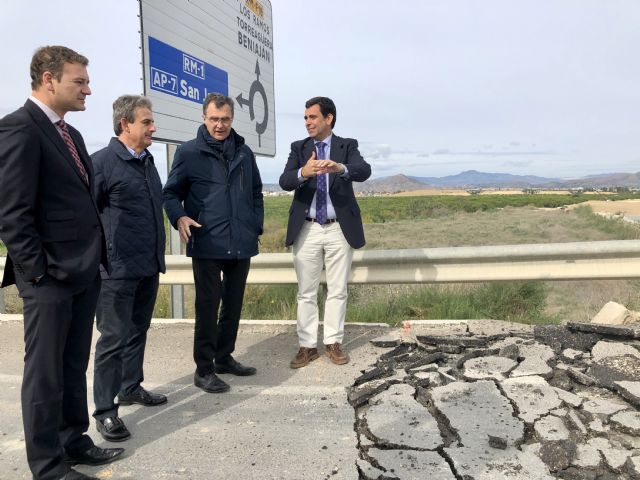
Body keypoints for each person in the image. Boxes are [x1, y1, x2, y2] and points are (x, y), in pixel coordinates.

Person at [0, 46, 123, 480]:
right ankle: (48, 467)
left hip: (83, 272)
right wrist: (36, 272)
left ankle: (74, 440)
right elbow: (11, 213)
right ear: (49, 80)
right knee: (45, 375)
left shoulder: (69, 134)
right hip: (49, 276)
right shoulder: (20, 128)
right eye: (80, 81)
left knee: (73, 366)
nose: (88, 89)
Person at [163, 92, 263, 394]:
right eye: (214, 119)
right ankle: (203, 369)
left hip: (241, 241)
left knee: (233, 305)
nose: (219, 125)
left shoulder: (245, 153)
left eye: (225, 119)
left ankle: (224, 357)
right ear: (204, 118)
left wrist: (255, 225)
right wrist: (179, 217)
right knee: (208, 306)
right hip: (206, 240)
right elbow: (169, 193)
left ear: (232, 119)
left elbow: (256, 193)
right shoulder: (189, 152)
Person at [91, 95, 167, 443]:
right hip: (115, 271)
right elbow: (86, 218)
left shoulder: (148, 162)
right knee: (112, 340)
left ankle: (131, 387)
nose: (153, 128)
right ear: (126, 124)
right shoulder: (103, 163)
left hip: (147, 266)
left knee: (138, 331)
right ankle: (106, 412)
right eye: (147, 122)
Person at [279, 96, 371, 369]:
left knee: (337, 290)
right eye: (305, 118)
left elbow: (363, 170)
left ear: (328, 118)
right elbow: (285, 181)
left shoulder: (346, 146)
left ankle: (333, 342)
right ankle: (307, 347)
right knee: (306, 292)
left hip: (337, 229)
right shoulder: (299, 148)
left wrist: (340, 167)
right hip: (307, 228)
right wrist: (303, 172)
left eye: (313, 117)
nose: (307, 122)